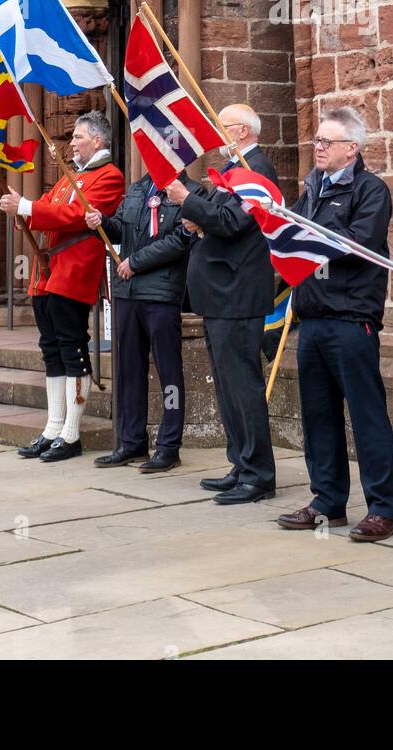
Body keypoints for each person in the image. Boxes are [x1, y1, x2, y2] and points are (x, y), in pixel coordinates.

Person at [277, 107, 393, 542]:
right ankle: (327, 501)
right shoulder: (311, 189)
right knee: (318, 417)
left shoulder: (371, 190)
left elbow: (357, 244)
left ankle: (384, 508)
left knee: (367, 417)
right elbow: (287, 239)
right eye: (316, 141)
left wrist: (306, 225)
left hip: (351, 319)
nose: (318, 147)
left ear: (352, 148)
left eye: (327, 142)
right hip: (312, 319)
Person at [165, 104, 277, 504]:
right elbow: (218, 216)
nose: (216, 134)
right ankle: (241, 463)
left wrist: (185, 199)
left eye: (222, 127)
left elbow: (232, 223)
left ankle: (259, 474)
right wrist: (197, 218)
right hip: (220, 295)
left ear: (243, 131)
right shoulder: (233, 171)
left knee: (243, 385)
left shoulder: (257, 169)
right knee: (227, 387)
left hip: (238, 293)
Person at [0, 111, 124, 462]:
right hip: (49, 273)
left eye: (79, 137)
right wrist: (22, 210)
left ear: (97, 141)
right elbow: (48, 208)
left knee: (72, 349)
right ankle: (53, 428)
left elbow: (72, 217)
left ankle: (71, 435)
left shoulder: (109, 176)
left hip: (74, 272)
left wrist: (28, 206)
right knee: (50, 349)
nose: (72, 143)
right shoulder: (71, 178)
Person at [85, 170, 198, 472]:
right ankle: (131, 441)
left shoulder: (190, 191)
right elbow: (123, 230)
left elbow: (180, 240)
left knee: (169, 373)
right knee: (128, 370)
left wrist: (136, 262)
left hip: (161, 292)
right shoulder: (137, 189)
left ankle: (169, 445)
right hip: (127, 292)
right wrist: (103, 223)